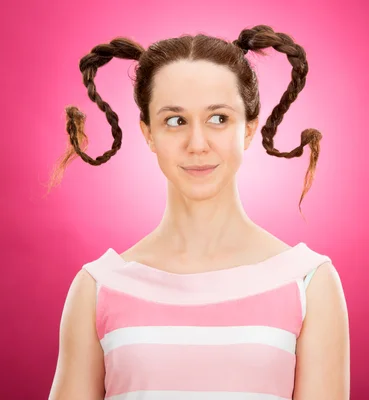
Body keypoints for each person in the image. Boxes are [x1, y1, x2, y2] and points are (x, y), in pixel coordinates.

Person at [47, 25, 350, 400]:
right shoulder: (98, 288)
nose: (197, 144)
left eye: (219, 118)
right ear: (148, 133)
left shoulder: (308, 283)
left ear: (249, 129)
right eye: (175, 121)